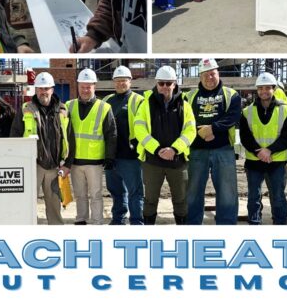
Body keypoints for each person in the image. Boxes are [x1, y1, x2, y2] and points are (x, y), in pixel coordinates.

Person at [134, 65, 196, 225]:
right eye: (161, 83)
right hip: (152, 161)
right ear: (156, 83)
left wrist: (174, 149)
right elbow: (139, 129)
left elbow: (190, 131)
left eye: (169, 83)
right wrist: (157, 149)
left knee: (181, 200)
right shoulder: (146, 104)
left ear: (175, 84)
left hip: (177, 161)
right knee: (150, 200)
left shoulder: (184, 105)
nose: (165, 87)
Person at [10, 72, 73, 225]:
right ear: (36, 90)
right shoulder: (26, 109)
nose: (43, 92)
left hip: (55, 165)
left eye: (46, 88)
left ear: (52, 89)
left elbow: (71, 137)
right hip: (33, 165)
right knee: (27, 203)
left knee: (54, 205)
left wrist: (68, 165)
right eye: (40, 88)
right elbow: (15, 135)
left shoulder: (63, 110)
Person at [185, 58, 242, 225]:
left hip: (223, 149)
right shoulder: (189, 96)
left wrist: (212, 129)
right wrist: (201, 133)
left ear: (218, 73)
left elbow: (232, 117)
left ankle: (226, 225)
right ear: (200, 76)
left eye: (213, 73)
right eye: (206, 75)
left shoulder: (231, 94)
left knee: (227, 191)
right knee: (193, 191)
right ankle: (193, 224)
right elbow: (185, 120)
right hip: (197, 150)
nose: (210, 78)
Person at [239, 72, 287, 225]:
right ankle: (255, 222)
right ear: (257, 90)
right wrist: (259, 151)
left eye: (267, 88)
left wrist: (269, 150)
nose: (264, 91)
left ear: (274, 89)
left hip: (276, 161)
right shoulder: (247, 111)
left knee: (277, 196)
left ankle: (280, 223)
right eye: (260, 88)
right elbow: (245, 136)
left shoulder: (285, 110)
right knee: (253, 196)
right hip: (254, 161)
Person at [66, 68, 117, 226]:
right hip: (75, 161)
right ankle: (81, 219)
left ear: (94, 86)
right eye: (83, 86)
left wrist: (109, 157)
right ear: (78, 86)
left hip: (95, 160)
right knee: (80, 194)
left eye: (89, 86)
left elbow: (111, 134)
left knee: (95, 194)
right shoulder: (69, 106)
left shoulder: (104, 107)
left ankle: (97, 222)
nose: (86, 90)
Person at [102, 66, 145, 225]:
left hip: (131, 156)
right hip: (111, 155)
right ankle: (118, 220)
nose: (121, 83)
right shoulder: (107, 100)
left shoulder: (138, 100)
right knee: (116, 191)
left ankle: (137, 222)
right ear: (113, 82)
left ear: (130, 81)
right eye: (118, 81)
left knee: (135, 192)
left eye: (124, 80)